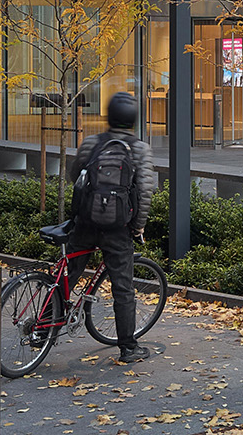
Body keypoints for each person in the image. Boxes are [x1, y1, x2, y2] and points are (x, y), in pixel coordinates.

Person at [71, 91, 157, 364]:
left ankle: (44, 326)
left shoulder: (91, 143)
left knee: (68, 275)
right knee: (123, 288)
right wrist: (137, 228)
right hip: (118, 228)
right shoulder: (139, 149)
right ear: (133, 119)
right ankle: (128, 348)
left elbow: (74, 176)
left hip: (85, 223)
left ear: (108, 116)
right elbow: (145, 193)